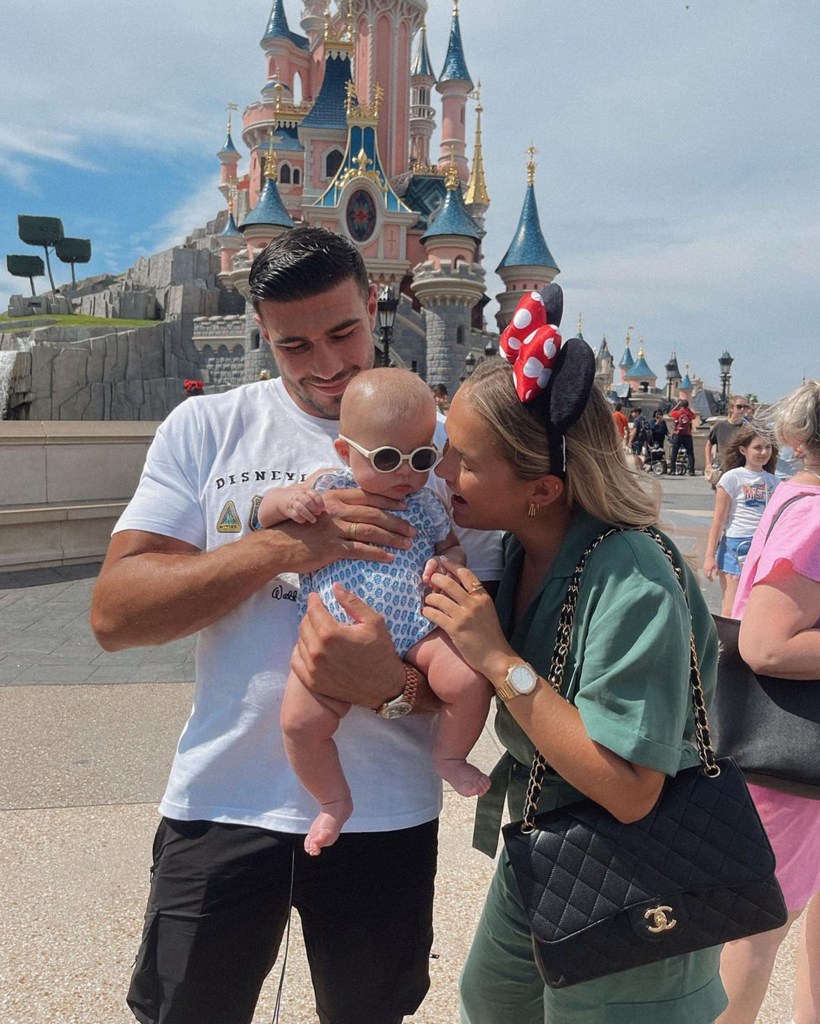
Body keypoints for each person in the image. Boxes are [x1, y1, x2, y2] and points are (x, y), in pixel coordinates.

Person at [89, 225, 501, 1024]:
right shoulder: (206, 431)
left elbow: (480, 645)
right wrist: (281, 547)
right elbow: (115, 616)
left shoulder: (441, 450)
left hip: (384, 810)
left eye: (343, 331)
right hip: (221, 799)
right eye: (293, 344)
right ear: (262, 335)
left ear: (375, 303)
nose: (325, 363)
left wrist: (389, 688)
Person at [421, 290, 725, 1023]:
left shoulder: (632, 577)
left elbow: (628, 790)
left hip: (634, 872)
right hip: (544, 844)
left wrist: (497, 659)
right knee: (492, 1002)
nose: (438, 471)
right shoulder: (520, 550)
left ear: (542, 489)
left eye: (463, 459)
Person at [257, 367, 491, 856]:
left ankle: (449, 756)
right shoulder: (329, 484)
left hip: (416, 628)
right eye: (387, 458)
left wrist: (448, 561)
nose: (406, 472)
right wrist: (288, 502)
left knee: (469, 682)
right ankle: (333, 800)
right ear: (346, 452)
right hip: (331, 634)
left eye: (422, 456)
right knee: (300, 723)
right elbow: (265, 513)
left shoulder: (426, 502)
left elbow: (453, 548)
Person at [716, 381, 820, 1024]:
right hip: (791, 755)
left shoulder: (792, 496)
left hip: (790, 748)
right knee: (759, 923)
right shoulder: (813, 514)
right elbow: (768, 645)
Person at [703, 425, 778, 616]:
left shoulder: (773, 481)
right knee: (732, 608)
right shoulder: (731, 478)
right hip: (735, 546)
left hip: (763, 546)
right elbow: (718, 520)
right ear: (743, 450)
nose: (763, 452)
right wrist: (710, 556)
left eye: (768, 447)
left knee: (755, 607)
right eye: (758, 447)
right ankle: (728, 645)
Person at [704, 396, 751, 488]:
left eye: (745, 407)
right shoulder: (720, 426)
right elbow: (709, 444)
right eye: (739, 406)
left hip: (740, 469)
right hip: (722, 468)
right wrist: (708, 463)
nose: (742, 409)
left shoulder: (747, 429)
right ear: (731, 408)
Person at [669, 397, 697, 475]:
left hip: (678, 434)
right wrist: (688, 409)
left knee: (674, 452)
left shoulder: (678, 413)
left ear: (680, 405)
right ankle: (691, 470)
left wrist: (677, 406)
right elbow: (694, 416)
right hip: (687, 434)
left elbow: (670, 413)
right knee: (690, 453)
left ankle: (672, 470)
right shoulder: (689, 413)